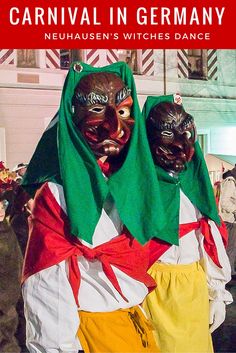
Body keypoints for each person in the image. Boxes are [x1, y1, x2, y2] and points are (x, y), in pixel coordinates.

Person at [21, 62, 172, 353]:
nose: (114, 126)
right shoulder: (56, 194)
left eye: (124, 111)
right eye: (95, 109)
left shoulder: (133, 187)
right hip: (91, 332)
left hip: (134, 324)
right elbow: (46, 285)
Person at [142, 95, 233, 353]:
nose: (180, 144)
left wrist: (217, 291)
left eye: (185, 132)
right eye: (169, 133)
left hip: (192, 283)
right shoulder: (141, 186)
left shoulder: (194, 184)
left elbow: (208, 237)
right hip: (152, 285)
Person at [0, 196, 23, 353]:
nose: (1, 209)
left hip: (9, 298)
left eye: (2, 204)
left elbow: (15, 266)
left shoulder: (6, 231)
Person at [219, 166, 236, 278]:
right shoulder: (230, 181)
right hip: (228, 220)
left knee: (231, 247)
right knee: (230, 248)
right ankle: (228, 274)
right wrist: (235, 209)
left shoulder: (231, 179)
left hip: (230, 220)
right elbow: (224, 202)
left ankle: (230, 271)